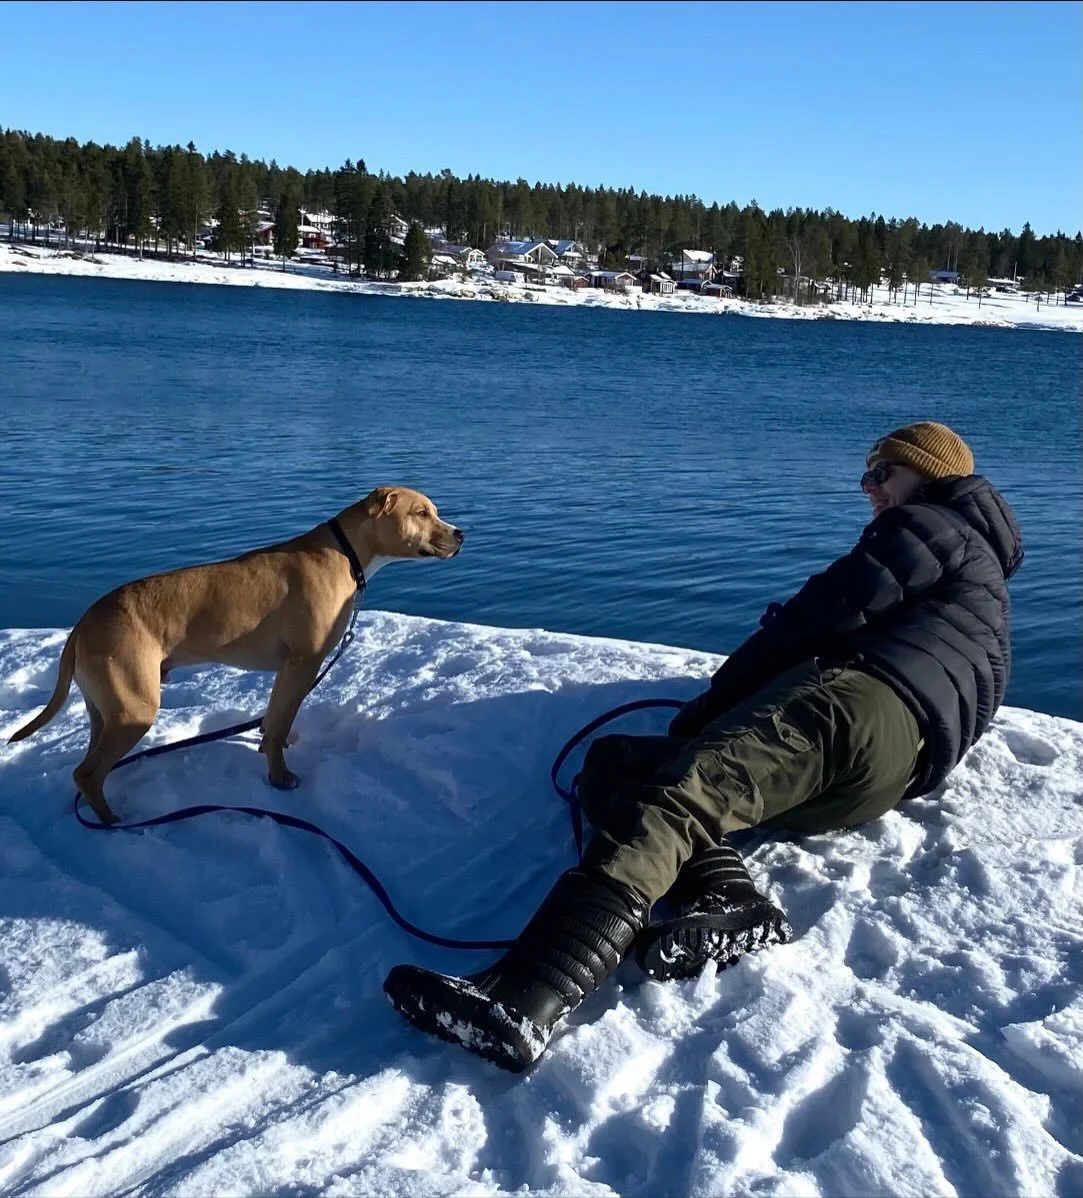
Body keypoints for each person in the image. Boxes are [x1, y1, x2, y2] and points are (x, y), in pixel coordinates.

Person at [383, 421, 1024, 1072]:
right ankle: (730, 904)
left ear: (932, 474)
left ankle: (525, 999)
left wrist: (711, 707)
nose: (868, 489)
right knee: (618, 764)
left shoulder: (931, 526)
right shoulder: (987, 590)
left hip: (856, 708)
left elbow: (819, 614)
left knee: (678, 793)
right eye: (866, 475)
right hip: (874, 780)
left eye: (882, 472)